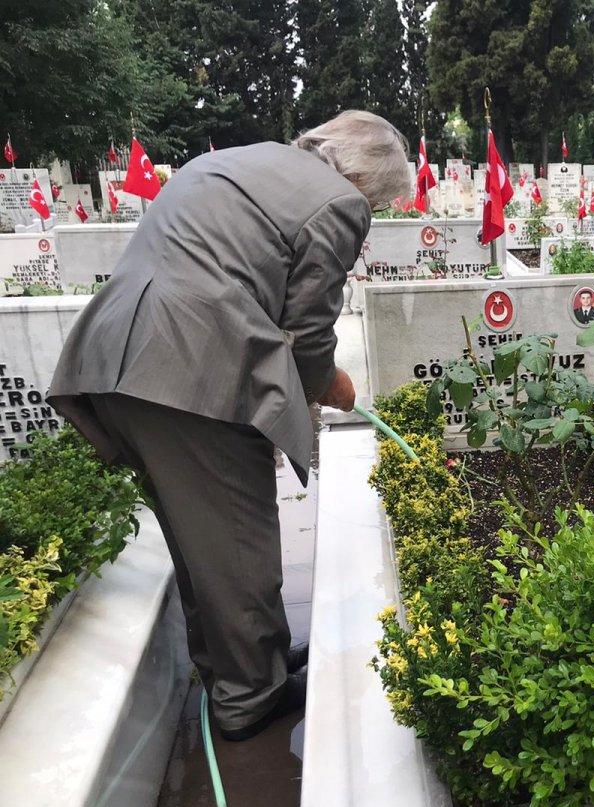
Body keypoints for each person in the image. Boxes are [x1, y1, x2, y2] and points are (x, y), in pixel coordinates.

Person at [49, 111, 411, 741]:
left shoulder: (235, 160)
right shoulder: (338, 203)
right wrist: (332, 386)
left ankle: (238, 665)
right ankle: (250, 696)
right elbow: (308, 333)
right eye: (379, 199)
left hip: (119, 355)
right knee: (239, 536)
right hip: (191, 368)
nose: (372, 210)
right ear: (362, 178)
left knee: (201, 539)